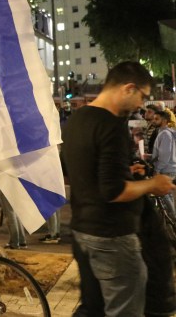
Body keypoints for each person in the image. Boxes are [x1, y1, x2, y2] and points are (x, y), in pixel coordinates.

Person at [62, 61, 175, 316]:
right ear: (128, 88)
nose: (141, 105)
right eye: (142, 96)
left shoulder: (76, 120)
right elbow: (113, 191)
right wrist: (152, 185)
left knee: (94, 308)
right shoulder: (111, 125)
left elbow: (82, 172)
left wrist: (126, 172)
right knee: (124, 309)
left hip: (82, 231)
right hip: (112, 237)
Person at [150, 109, 176, 219]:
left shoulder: (165, 134)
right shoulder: (165, 133)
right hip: (169, 167)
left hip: (167, 169)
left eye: (157, 119)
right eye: (154, 118)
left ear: (165, 120)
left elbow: (165, 156)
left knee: (165, 194)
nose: (154, 121)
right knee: (167, 194)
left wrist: (157, 169)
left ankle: (173, 219)